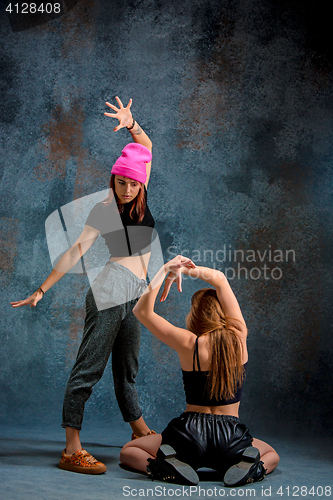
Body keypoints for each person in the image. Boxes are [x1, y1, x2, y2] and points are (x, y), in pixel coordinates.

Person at [10, 97, 158, 475]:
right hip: (110, 288)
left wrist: (130, 123)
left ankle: (138, 430)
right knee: (89, 368)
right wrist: (42, 290)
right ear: (113, 179)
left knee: (128, 368)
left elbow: (147, 148)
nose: (127, 188)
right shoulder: (104, 210)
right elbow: (75, 251)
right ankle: (71, 448)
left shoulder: (141, 195)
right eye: (120, 181)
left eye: (132, 183)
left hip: (136, 294)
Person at [120, 256, 280, 487]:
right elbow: (220, 280)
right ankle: (252, 467)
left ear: (195, 315)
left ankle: (162, 466)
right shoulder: (239, 337)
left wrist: (167, 269)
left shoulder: (189, 343)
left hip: (188, 436)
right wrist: (189, 271)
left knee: (130, 450)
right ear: (224, 313)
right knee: (270, 455)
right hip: (231, 438)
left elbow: (142, 311)